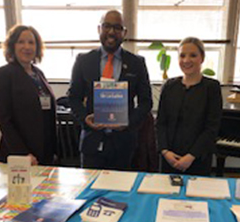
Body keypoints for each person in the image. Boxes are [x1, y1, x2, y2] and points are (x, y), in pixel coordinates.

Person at [68, 10, 152, 170]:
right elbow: (73, 98)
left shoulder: (137, 63)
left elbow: (146, 102)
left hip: (124, 144)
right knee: (90, 191)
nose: (111, 32)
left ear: (124, 32)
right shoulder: (83, 60)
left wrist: (128, 122)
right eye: (107, 26)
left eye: (117, 27)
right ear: (99, 29)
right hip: (91, 143)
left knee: (121, 192)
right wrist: (85, 118)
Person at [0, 25, 57, 165]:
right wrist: (22, 154)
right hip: (19, 156)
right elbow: (4, 120)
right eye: (21, 42)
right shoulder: (3, 74)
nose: (27, 47)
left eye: (31, 42)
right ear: (12, 46)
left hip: (43, 153)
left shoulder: (38, 74)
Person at [156, 37, 222, 176]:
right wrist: (165, 152)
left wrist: (191, 156)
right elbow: (160, 123)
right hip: (169, 159)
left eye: (193, 55)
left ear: (202, 58)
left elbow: (211, 128)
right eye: (182, 55)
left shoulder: (212, 87)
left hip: (198, 159)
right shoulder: (169, 86)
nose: (186, 60)